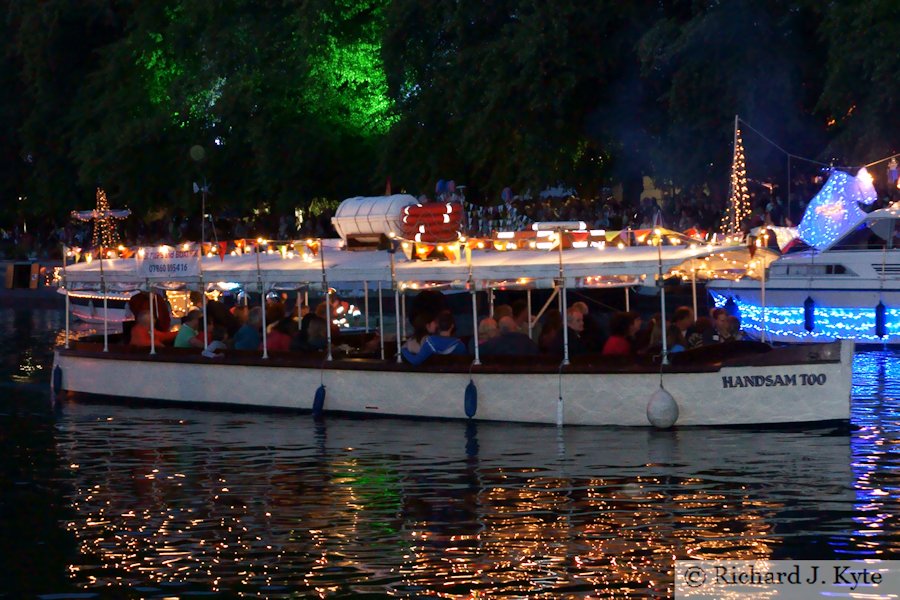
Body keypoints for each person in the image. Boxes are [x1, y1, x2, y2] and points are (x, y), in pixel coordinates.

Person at [401, 310, 466, 365]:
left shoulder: (430, 342)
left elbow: (415, 361)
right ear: (452, 326)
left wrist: (403, 350)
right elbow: (464, 363)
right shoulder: (460, 345)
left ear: (437, 325)